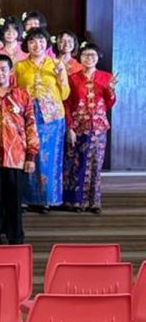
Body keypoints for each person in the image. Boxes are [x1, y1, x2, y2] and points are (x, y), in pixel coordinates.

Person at [0, 55, 38, 245]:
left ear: (10, 71)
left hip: (17, 157)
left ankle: (15, 237)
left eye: (3, 69)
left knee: (14, 199)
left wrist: (31, 156)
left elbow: (31, 125)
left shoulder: (21, 95)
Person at [16, 28, 70, 212]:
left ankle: (47, 199)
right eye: (32, 41)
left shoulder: (56, 64)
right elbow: (15, 92)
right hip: (28, 115)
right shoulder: (19, 66)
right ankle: (26, 198)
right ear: (26, 45)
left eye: (40, 41)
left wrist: (60, 76)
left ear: (47, 44)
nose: (36, 45)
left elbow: (65, 94)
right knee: (28, 156)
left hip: (52, 119)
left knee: (49, 159)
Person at [64, 43, 117, 213]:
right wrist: (69, 127)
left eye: (92, 55)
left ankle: (94, 202)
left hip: (98, 126)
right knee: (77, 164)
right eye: (86, 55)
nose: (89, 58)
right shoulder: (72, 78)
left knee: (96, 163)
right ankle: (76, 202)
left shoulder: (106, 77)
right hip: (78, 126)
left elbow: (110, 103)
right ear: (80, 58)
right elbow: (67, 103)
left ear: (98, 58)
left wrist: (111, 90)